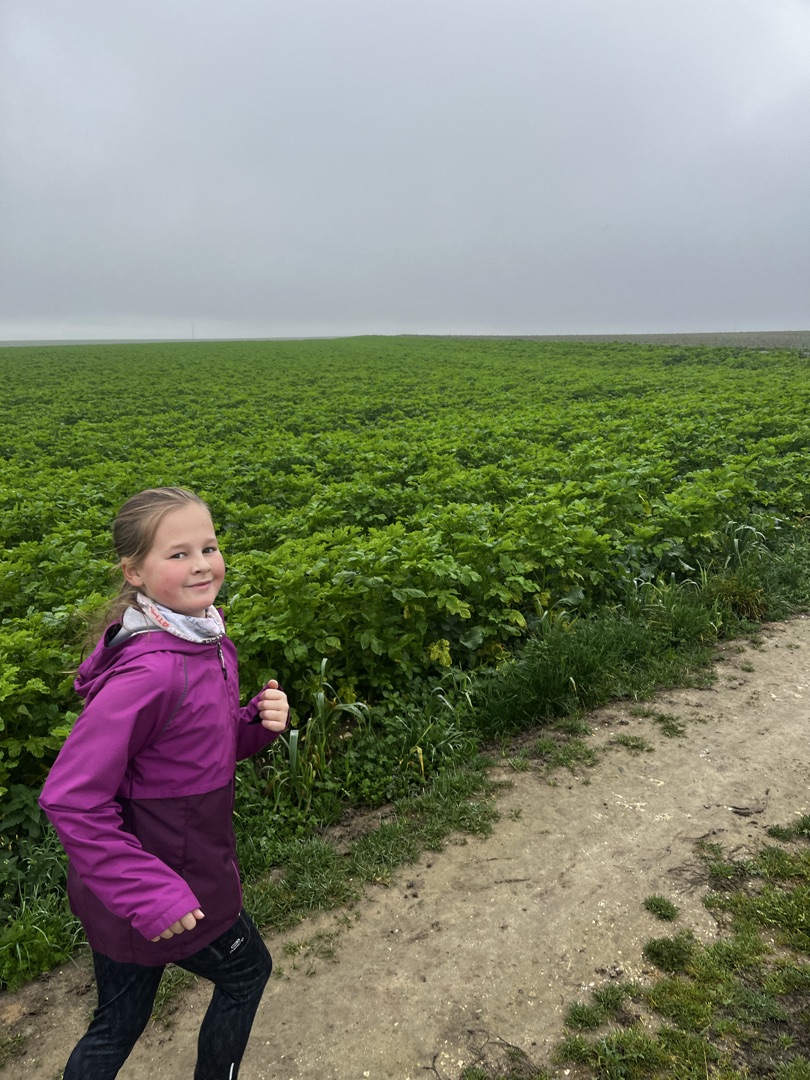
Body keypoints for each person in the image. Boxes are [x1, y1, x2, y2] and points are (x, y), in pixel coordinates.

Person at [39, 487, 289, 1080]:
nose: (201, 563)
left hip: (126, 894)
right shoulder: (151, 671)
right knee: (248, 972)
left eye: (209, 546)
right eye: (177, 554)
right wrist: (152, 892)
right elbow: (70, 797)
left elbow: (191, 751)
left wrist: (250, 726)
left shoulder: (202, 635)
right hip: (171, 886)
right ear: (135, 572)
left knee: (119, 1023)